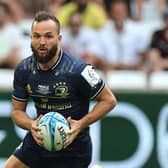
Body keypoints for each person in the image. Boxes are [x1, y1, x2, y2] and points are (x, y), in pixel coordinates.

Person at [4, 11, 117, 168]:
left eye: (48, 36)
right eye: (37, 36)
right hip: (40, 140)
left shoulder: (78, 70)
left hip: (73, 148)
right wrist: (32, 125)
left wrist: (80, 124)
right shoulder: (24, 69)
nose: (42, 42)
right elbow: (17, 112)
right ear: (31, 38)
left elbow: (109, 100)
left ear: (59, 39)